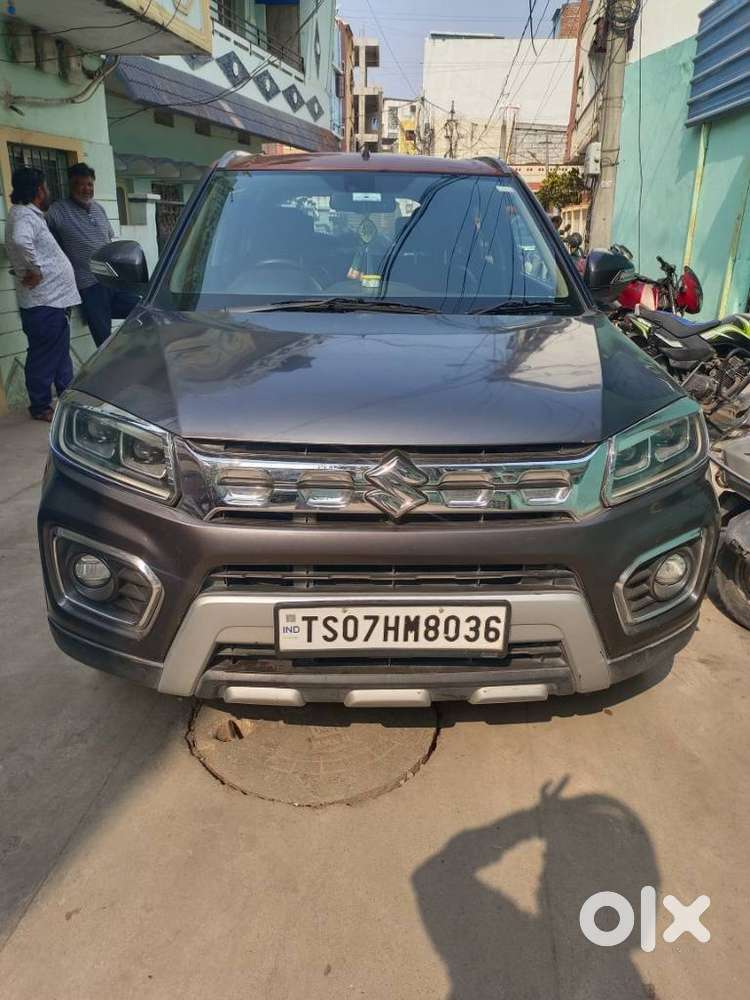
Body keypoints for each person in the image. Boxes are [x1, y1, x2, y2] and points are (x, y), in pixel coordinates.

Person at [4, 167, 80, 422]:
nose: (48, 192)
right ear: (39, 190)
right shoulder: (24, 215)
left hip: (53, 301)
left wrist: (26, 268)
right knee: (43, 357)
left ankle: (66, 398)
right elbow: (20, 240)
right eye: (46, 187)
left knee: (59, 354)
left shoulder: (27, 215)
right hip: (44, 303)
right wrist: (34, 270)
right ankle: (40, 406)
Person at [47, 162, 136, 347]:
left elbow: (108, 239)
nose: (87, 189)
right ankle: (108, 365)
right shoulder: (58, 211)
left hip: (113, 279)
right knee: (103, 339)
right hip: (89, 285)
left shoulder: (98, 209)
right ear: (71, 185)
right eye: (81, 184)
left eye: (90, 184)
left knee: (142, 309)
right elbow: (43, 237)